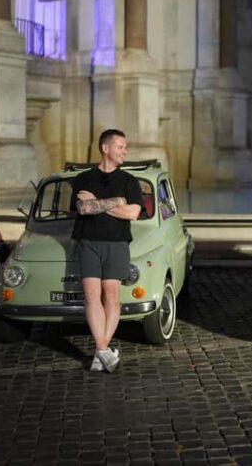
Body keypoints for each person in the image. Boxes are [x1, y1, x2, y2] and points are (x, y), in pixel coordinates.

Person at [72, 129, 142, 372]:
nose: (125, 151)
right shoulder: (82, 179)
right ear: (105, 148)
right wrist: (117, 201)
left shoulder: (129, 181)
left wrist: (98, 202)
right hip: (88, 242)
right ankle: (103, 350)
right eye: (121, 147)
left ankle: (100, 351)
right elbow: (83, 208)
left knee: (111, 297)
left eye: (125, 147)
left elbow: (133, 213)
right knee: (91, 297)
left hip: (117, 243)